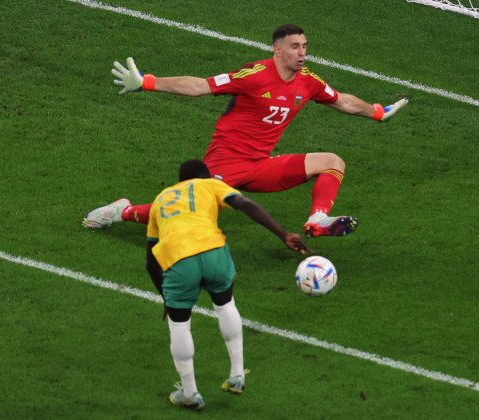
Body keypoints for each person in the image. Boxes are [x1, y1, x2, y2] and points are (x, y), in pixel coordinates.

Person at [83, 24, 408, 237]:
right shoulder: (254, 75)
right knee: (182, 216)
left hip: (260, 164)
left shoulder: (308, 81)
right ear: (277, 50)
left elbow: (343, 102)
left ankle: (317, 220)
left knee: (332, 161)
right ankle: (121, 212)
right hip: (225, 163)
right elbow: (200, 86)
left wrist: (377, 112)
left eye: (305, 46)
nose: (302, 53)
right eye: (295, 47)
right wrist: (146, 83)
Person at [146, 159, 308, 411]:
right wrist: (283, 234)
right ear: (207, 175)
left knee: (179, 324)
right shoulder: (210, 185)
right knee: (224, 304)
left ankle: (190, 393)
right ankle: (237, 375)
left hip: (178, 258)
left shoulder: (160, 199)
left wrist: (166, 298)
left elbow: (150, 259)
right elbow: (244, 203)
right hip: (213, 250)